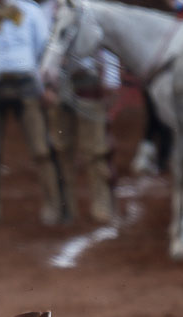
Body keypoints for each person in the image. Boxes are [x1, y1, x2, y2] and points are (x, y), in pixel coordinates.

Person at [0, 0, 64, 224]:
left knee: (41, 148)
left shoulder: (31, 12)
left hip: (26, 85)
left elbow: (44, 51)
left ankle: (53, 206)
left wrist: (48, 86)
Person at [41, 0, 121, 223]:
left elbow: (108, 45)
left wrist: (112, 80)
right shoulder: (44, 12)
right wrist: (44, 86)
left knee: (96, 148)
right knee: (61, 148)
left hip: (87, 81)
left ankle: (102, 203)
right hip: (58, 86)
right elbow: (37, 49)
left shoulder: (91, 9)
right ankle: (65, 206)